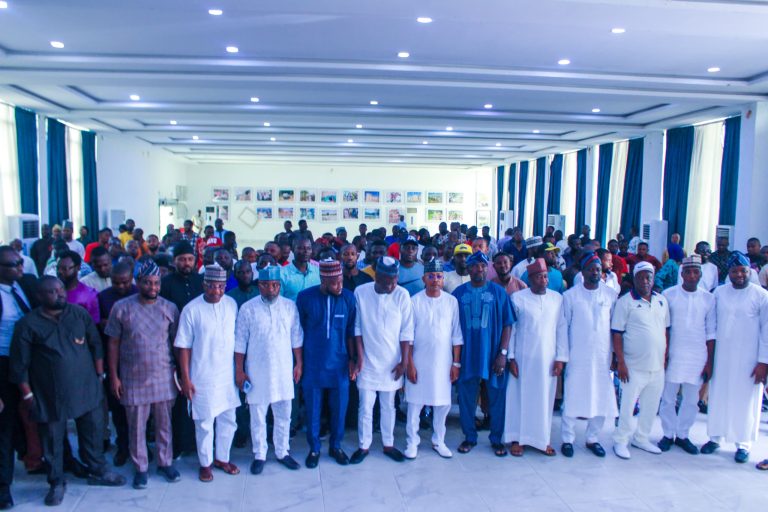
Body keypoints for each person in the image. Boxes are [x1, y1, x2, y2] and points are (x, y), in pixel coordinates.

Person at [11, 276, 126, 506]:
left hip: (86, 386)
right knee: (52, 439)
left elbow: (95, 344)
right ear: (40, 296)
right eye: (53, 291)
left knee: (92, 431)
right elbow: (19, 364)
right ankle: (56, 482)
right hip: (49, 393)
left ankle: (97, 469)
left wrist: (99, 376)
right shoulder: (28, 324)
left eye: (61, 289)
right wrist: (28, 394)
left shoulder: (78, 314)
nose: (60, 293)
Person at [105, 260, 180, 489]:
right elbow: (113, 343)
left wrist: (180, 373)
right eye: (147, 282)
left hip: (163, 375)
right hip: (133, 377)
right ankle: (141, 468)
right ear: (138, 282)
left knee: (164, 425)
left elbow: (177, 344)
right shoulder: (121, 308)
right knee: (136, 427)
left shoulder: (170, 308)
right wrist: (114, 376)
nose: (153, 287)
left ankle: (165, 463)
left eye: (156, 283)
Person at [175, 265, 241, 482]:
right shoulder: (191, 309)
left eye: (221, 286)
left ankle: (223, 458)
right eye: (212, 286)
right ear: (204, 285)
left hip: (227, 375)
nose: (217, 291)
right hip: (202, 375)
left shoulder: (231, 304)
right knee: (204, 422)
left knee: (228, 419)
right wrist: (185, 379)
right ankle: (205, 463)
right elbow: (183, 346)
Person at [235, 265, 303, 475]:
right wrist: (239, 370)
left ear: (280, 286)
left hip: (283, 369)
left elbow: (296, 337)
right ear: (259, 286)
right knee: (258, 416)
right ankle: (260, 454)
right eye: (265, 285)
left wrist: (299, 363)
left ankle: (282, 452)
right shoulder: (248, 308)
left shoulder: (290, 307)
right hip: (257, 371)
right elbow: (240, 342)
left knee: (284, 414)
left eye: (275, 285)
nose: (271, 289)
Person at [703, 252, 768, 464]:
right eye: (734, 271)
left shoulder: (761, 295)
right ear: (728, 273)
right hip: (722, 357)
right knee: (719, 396)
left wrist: (763, 363)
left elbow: (767, 332)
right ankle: (715, 437)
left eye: (743, 270)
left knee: (745, 401)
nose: (739, 274)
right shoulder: (719, 293)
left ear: (750, 271)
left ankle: (743, 444)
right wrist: (709, 358)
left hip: (749, 359)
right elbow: (711, 325)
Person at [350, 257, 414, 464]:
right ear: (376, 276)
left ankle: (388, 444)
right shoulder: (361, 292)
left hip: (392, 362)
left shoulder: (402, 295)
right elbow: (357, 328)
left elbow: (406, 331)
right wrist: (360, 358)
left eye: (394, 281)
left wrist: (404, 362)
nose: (391, 286)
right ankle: (364, 446)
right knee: (365, 407)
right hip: (367, 361)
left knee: (388, 406)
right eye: (387, 282)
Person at [557, 252, 619, 458]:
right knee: (572, 396)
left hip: (602, 356)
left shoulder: (610, 295)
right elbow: (563, 328)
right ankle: (567, 438)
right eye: (591, 269)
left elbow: (614, 328)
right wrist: (563, 356)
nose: (595, 273)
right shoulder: (570, 296)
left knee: (601, 397)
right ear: (582, 272)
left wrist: (615, 356)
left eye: (598, 269)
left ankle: (593, 438)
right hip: (577, 355)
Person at [453, 252, 514, 456]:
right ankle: (469, 437)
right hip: (467, 354)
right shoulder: (458, 294)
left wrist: (502, 353)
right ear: (468, 269)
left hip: (493, 354)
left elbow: (507, 324)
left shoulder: (499, 292)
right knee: (466, 397)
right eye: (474, 266)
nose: (479, 269)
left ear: (487, 269)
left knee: (497, 396)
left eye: (482, 266)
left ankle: (496, 439)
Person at [296, 260, 356, 468]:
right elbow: (298, 332)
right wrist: (299, 363)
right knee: (313, 409)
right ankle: (314, 448)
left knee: (339, 408)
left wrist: (353, 360)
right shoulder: (305, 298)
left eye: (341, 281)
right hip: (313, 363)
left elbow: (351, 331)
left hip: (340, 364)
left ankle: (336, 446)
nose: (339, 286)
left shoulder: (348, 298)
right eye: (334, 283)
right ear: (323, 280)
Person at [504, 258, 565, 457]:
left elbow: (561, 329)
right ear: (530, 279)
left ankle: (542, 440)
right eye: (539, 277)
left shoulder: (557, 299)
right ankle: (517, 438)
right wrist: (511, 357)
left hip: (548, 359)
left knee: (544, 399)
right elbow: (512, 330)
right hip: (523, 358)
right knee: (519, 398)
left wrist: (561, 358)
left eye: (545, 276)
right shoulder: (518, 298)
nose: (544, 280)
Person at [611, 261, 670, 460]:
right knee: (627, 406)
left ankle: (641, 438)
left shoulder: (661, 301)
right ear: (634, 279)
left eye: (648, 277)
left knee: (651, 406)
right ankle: (621, 440)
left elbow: (665, 330)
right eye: (641, 277)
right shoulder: (625, 302)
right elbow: (617, 334)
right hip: (632, 367)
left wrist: (665, 356)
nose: (645, 281)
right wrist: (621, 362)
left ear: (653, 279)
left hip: (657, 367)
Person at [657, 255, 715, 455]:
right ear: (681, 274)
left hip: (697, 356)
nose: (691, 276)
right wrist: (664, 354)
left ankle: (682, 434)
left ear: (700, 275)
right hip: (673, 353)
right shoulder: (669, 295)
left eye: (695, 272)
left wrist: (709, 362)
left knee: (691, 400)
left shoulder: (708, 299)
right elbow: (663, 327)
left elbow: (711, 332)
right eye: (688, 272)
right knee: (668, 397)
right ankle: (667, 433)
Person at [405, 260, 463, 459]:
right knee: (415, 404)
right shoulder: (414, 301)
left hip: (443, 363)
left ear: (443, 279)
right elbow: (408, 336)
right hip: (419, 362)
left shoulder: (451, 302)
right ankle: (412, 442)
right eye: (431, 276)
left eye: (439, 276)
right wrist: (409, 364)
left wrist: (456, 363)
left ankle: (439, 440)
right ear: (424, 278)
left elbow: (456, 335)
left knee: (442, 404)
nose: (435, 280)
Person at [0, 246, 40, 508]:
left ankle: (34, 459)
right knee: (5, 425)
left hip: (27, 361)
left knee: (33, 415)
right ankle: (3, 486)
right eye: (13, 265)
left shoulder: (24, 284)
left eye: (20, 263)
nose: (20, 268)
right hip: (3, 365)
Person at [159, 241, 203, 458]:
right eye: (182, 259)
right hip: (173, 347)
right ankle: (178, 445)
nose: (186, 263)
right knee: (178, 398)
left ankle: (197, 443)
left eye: (190, 259)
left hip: (200, 348)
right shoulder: (165, 284)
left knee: (199, 395)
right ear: (174, 261)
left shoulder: (201, 281)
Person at [97, 262, 136, 467]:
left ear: (131, 279)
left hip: (137, 359)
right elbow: (100, 326)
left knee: (139, 409)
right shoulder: (103, 297)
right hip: (115, 359)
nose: (121, 286)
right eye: (116, 283)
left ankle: (139, 445)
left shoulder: (140, 292)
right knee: (118, 407)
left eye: (125, 282)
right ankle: (122, 446)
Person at [57, 250, 100, 325]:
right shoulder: (53, 292)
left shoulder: (89, 295)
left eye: (64, 268)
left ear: (78, 267)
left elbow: (93, 324)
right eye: (58, 268)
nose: (60, 271)